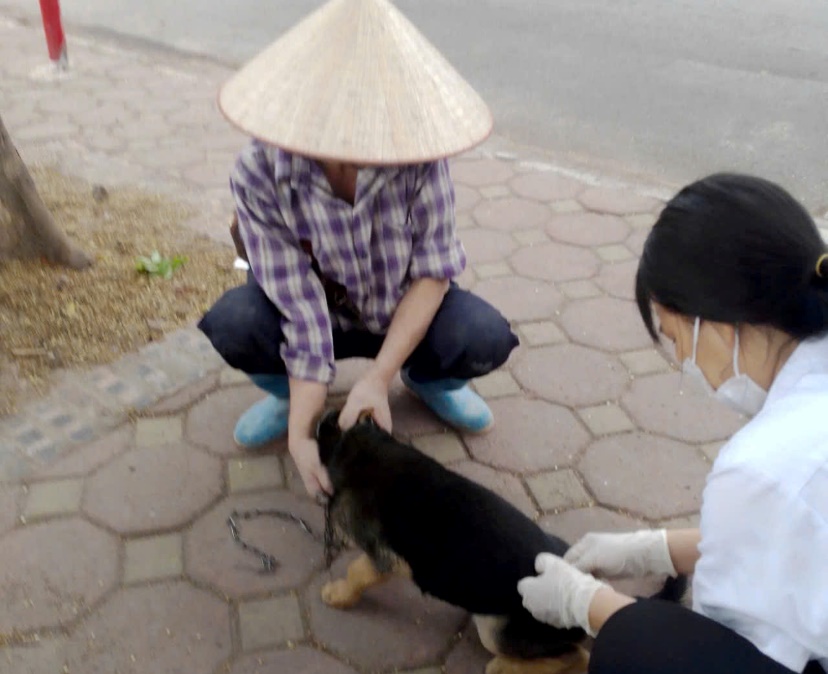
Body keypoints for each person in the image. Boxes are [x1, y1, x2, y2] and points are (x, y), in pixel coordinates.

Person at [197, 0, 518, 496]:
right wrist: (304, 433)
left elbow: (434, 272)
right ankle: (289, 397)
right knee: (235, 323)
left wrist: (378, 379)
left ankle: (426, 380)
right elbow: (298, 305)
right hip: (319, 317)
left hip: (398, 311)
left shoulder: (418, 157)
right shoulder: (260, 170)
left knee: (482, 337)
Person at [516, 173, 828, 674]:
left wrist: (587, 604)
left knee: (639, 643)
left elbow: (726, 650)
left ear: (719, 322)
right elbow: (788, 542)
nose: (683, 358)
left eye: (676, 336)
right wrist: (653, 551)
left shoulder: (763, 465)